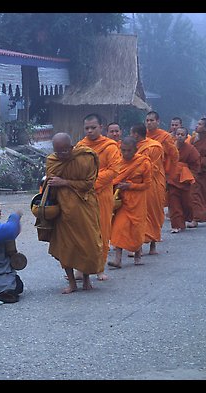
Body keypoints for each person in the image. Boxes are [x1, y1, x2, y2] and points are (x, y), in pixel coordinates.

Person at [46, 132, 103, 294]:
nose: (62, 155)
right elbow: (50, 179)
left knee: (88, 244)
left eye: (65, 151)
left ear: (72, 147)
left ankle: (86, 279)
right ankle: (72, 283)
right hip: (63, 210)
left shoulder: (85, 158)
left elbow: (88, 184)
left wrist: (64, 182)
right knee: (66, 247)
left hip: (84, 206)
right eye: (58, 151)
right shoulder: (53, 160)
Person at [76, 113, 121, 281]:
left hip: (102, 195)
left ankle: (99, 268)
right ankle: (80, 268)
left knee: (102, 231)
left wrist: (91, 182)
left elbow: (114, 170)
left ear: (101, 127)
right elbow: (76, 168)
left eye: (93, 128)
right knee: (83, 232)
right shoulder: (80, 146)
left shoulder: (110, 146)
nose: (89, 131)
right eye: (87, 128)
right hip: (83, 196)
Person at [108, 136, 151, 267]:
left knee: (136, 228)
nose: (125, 154)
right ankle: (118, 259)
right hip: (122, 200)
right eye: (123, 150)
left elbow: (147, 184)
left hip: (137, 200)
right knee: (118, 228)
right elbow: (112, 179)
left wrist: (130, 186)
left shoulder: (144, 163)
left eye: (129, 150)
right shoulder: (118, 162)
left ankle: (138, 255)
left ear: (135, 150)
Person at [130, 123, 165, 255]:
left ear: (136, 134)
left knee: (153, 214)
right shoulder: (132, 147)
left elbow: (153, 168)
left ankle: (152, 245)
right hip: (136, 185)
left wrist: (136, 173)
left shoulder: (154, 147)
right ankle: (136, 246)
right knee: (137, 216)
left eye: (131, 133)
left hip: (152, 185)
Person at [167, 127, 201, 233]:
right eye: (178, 134)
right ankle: (176, 225)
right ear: (175, 136)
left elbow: (196, 164)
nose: (180, 136)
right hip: (172, 179)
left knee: (186, 203)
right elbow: (166, 161)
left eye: (182, 135)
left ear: (186, 137)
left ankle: (184, 220)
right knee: (173, 203)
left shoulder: (191, 149)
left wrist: (191, 176)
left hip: (185, 180)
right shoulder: (171, 148)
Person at [145, 111, 179, 184]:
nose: (149, 123)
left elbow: (174, 155)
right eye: (147, 120)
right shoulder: (142, 135)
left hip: (159, 171)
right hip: (143, 171)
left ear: (158, 122)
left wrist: (170, 174)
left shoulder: (165, 137)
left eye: (151, 120)